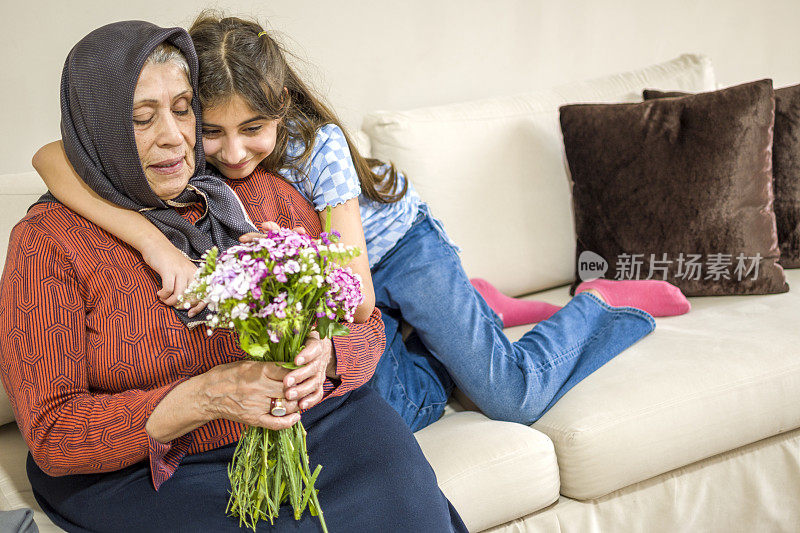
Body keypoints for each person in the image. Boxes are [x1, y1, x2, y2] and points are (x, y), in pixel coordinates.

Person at [32, 13, 691, 433]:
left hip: (396, 254)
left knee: (510, 394)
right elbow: (51, 157)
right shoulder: (184, 148)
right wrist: (150, 242)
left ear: (280, 107)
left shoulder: (315, 150)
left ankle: (597, 306)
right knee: (385, 398)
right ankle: (472, 311)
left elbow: (357, 295)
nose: (232, 153)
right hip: (347, 274)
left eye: (253, 129)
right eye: (212, 132)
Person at [0, 20, 467, 532]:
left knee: (402, 490)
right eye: (141, 118)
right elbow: (51, 434)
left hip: (311, 424)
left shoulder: (252, 193)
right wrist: (203, 396)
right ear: (99, 130)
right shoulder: (49, 242)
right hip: (152, 468)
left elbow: (364, 321)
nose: (173, 137)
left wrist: (328, 356)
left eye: (183, 110)